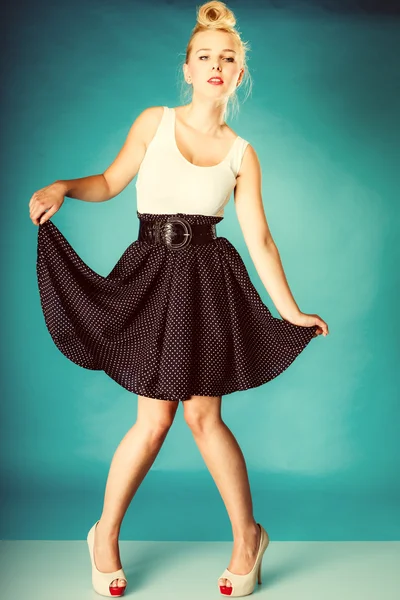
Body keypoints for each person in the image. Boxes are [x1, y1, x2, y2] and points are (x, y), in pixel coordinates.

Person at [29, 1, 329, 597]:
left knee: (202, 415)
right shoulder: (154, 122)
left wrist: (290, 310)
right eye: (205, 57)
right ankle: (104, 534)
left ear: (238, 74)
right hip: (150, 276)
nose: (216, 66)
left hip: (209, 283)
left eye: (228, 59)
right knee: (153, 419)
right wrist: (64, 186)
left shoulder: (244, 154)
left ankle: (248, 538)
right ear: (187, 68)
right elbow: (112, 183)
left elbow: (260, 238)